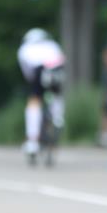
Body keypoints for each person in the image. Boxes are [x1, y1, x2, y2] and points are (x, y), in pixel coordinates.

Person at [17, 28, 66, 161]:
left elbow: (28, 74)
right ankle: (58, 117)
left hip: (39, 71)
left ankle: (32, 141)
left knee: (34, 100)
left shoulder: (24, 49)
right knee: (56, 96)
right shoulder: (53, 45)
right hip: (57, 70)